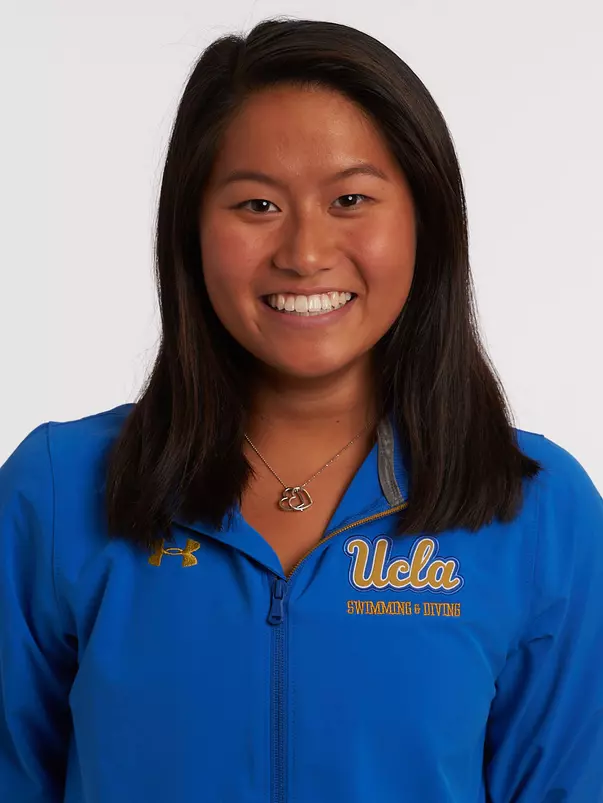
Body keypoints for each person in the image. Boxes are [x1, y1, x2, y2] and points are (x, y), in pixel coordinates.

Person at [1, 16, 602, 803]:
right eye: (256, 205)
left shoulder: (538, 508)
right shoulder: (56, 490)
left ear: (424, 218)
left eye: (350, 198)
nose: (304, 251)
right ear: (191, 229)